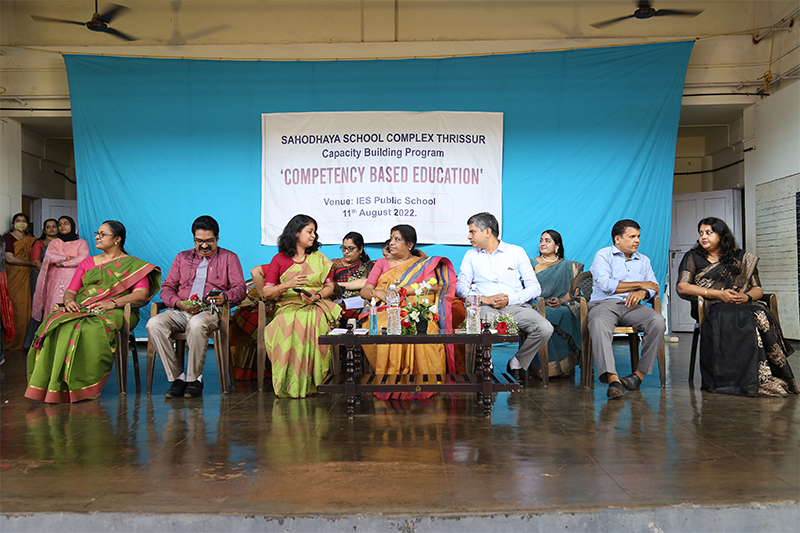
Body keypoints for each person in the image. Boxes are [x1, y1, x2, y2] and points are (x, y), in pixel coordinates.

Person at [25, 220, 161, 403]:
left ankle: (87, 386)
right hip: (83, 307)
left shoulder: (133, 265)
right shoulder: (87, 263)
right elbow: (71, 291)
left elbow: (141, 293)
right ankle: (55, 385)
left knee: (90, 328)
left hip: (117, 310)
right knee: (55, 324)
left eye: (102, 234)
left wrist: (113, 303)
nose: (97, 237)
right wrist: (69, 302)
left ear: (117, 239)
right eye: (97, 233)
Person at [676, 217, 796, 397]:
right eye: (701, 233)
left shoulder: (741, 257)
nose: (703, 237)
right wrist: (719, 294)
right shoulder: (693, 257)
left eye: (708, 232)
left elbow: (757, 288)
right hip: (711, 306)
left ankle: (767, 376)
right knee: (737, 317)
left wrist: (746, 297)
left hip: (741, 303)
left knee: (759, 313)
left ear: (721, 235)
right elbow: (683, 287)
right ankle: (738, 381)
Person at [147, 216, 246, 399]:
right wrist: (178, 303)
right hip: (180, 310)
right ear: (193, 239)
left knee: (196, 324)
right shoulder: (182, 257)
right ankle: (178, 378)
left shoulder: (229, 258)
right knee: (154, 324)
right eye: (199, 241)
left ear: (217, 238)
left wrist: (225, 297)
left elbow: (240, 289)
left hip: (210, 311)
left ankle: (194, 380)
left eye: (209, 241)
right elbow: (167, 288)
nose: (204, 245)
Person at [455, 213, 553, 387]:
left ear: (487, 232)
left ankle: (517, 363)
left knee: (545, 328)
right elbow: (460, 288)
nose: (469, 236)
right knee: (482, 326)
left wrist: (509, 300)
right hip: (485, 308)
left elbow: (534, 287)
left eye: (472, 232)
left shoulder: (516, 252)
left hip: (516, 306)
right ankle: (487, 365)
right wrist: (484, 298)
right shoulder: (471, 256)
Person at [360, 224, 457, 391]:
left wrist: (400, 291)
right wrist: (378, 293)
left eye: (397, 240)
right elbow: (365, 291)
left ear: (410, 245)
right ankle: (389, 379)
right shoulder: (382, 263)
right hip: (385, 310)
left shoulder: (422, 264)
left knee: (423, 326)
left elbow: (432, 286)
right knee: (382, 326)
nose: (391, 243)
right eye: (391, 239)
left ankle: (425, 381)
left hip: (414, 309)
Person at [255, 214, 341, 398]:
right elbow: (267, 293)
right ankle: (289, 381)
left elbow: (329, 287)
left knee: (315, 319)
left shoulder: (319, 258)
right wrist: (287, 284)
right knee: (284, 322)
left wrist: (316, 296)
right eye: (309, 231)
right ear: (295, 233)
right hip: (288, 305)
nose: (313, 236)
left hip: (315, 304)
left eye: (314, 232)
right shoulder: (279, 259)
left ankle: (315, 380)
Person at [587, 219, 665, 399]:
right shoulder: (603, 255)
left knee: (658, 321)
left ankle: (638, 376)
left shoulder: (644, 260)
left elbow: (654, 287)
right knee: (598, 323)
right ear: (617, 239)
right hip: (604, 305)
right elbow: (606, 285)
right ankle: (613, 379)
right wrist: (640, 284)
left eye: (638, 236)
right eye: (632, 237)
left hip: (633, 307)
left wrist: (643, 293)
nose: (637, 240)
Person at [530, 229, 583, 379]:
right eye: (541, 240)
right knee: (543, 314)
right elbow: (526, 288)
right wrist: (542, 301)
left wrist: (560, 300)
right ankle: (543, 367)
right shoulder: (531, 264)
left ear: (557, 246)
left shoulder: (568, 266)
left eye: (547, 241)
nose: (543, 244)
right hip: (537, 303)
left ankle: (564, 364)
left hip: (561, 304)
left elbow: (574, 292)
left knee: (566, 313)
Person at [31, 216, 91, 326]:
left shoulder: (81, 243)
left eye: (66, 223)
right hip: (55, 281)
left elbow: (83, 258)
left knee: (72, 305)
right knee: (53, 305)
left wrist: (63, 263)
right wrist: (68, 257)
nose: (63, 226)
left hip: (74, 279)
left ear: (72, 226)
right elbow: (50, 257)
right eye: (60, 224)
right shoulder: (54, 242)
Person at [3, 213, 37, 350]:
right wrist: (30, 264)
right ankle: (12, 342)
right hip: (14, 276)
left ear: (27, 224)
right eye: (18, 220)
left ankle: (26, 342)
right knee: (15, 307)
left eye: (23, 221)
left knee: (28, 308)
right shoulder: (8, 238)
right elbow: (9, 258)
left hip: (29, 276)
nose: (21, 223)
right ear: (13, 224)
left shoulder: (31, 239)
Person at [331, 231, 373, 324]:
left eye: (350, 249)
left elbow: (368, 283)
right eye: (344, 248)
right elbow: (327, 285)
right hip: (337, 305)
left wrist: (338, 285)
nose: (346, 252)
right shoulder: (334, 264)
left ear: (360, 249)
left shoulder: (368, 266)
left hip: (360, 306)